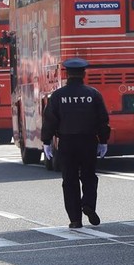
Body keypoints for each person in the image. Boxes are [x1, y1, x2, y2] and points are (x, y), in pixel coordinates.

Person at [41, 58, 110, 229]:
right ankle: (88, 204)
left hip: (67, 142)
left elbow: (50, 120)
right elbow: (102, 120)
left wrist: (46, 141)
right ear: (83, 74)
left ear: (67, 74)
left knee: (69, 180)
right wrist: (103, 141)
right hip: (88, 142)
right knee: (89, 177)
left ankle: (75, 219)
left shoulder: (58, 96)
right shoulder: (93, 94)